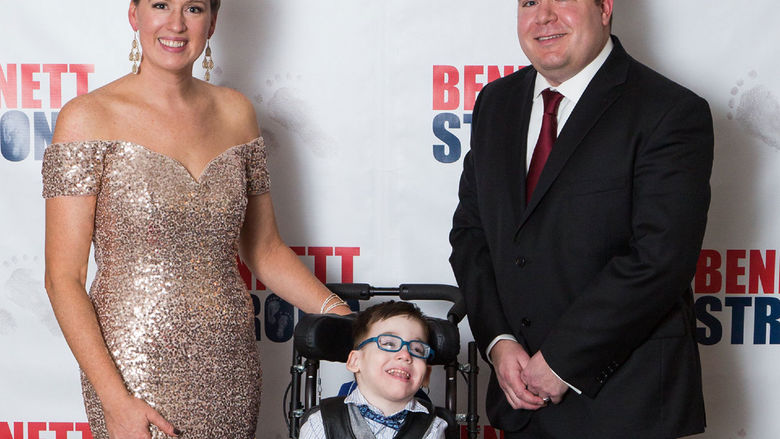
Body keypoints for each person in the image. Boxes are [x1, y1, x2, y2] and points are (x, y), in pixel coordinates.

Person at [41, 1, 350, 438]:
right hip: (133, 370)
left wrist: (345, 319)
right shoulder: (87, 117)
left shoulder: (237, 113)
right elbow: (62, 278)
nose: (175, 23)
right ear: (134, 15)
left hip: (229, 364)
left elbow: (264, 249)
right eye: (160, 5)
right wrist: (115, 401)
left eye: (193, 7)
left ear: (213, 21)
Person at [449, 0, 712, 437]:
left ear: (605, 8)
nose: (544, 16)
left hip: (626, 405)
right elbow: (471, 234)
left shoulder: (669, 111)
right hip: (519, 404)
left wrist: (563, 361)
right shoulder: (496, 102)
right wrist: (497, 342)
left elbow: (660, 258)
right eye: (530, 2)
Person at [299, 301, 448, 439]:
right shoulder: (322, 423)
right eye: (389, 343)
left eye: (417, 349)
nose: (405, 355)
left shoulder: (433, 429)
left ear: (426, 375)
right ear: (355, 361)